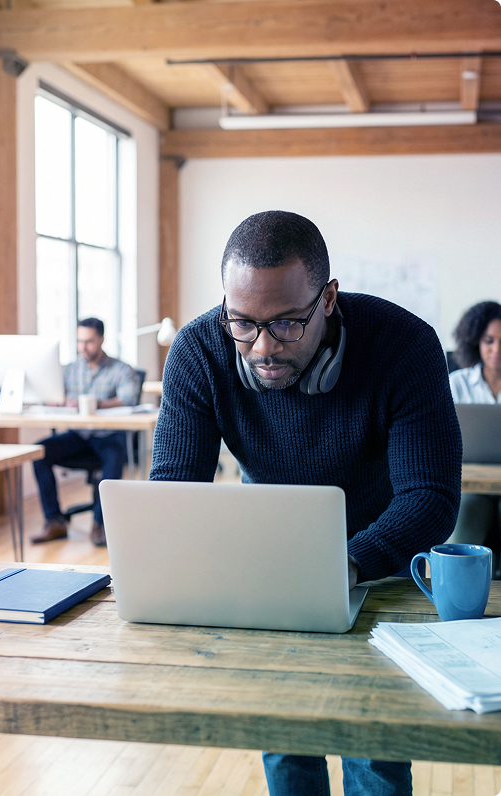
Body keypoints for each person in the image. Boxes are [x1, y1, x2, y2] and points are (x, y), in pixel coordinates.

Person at [149, 211, 462, 796]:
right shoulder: (199, 349)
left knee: (374, 751)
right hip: (274, 567)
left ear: (329, 299)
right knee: (286, 740)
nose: (263, 347)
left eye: (289, 324)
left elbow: (431, 497)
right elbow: (175, 492)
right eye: (242, 323)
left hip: (382, 560)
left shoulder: (406, 345)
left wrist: (341, 565)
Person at [32, 317, 140, 547]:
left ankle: (100, 523)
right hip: (79, 436)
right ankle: (55, 522)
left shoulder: (121, 369)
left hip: (107, 435)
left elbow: (130, 398)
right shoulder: (69, 370)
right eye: (80, 341)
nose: (83, 347)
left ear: (101, 339)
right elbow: (52, 394)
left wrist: (96, 404)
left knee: (114, 455)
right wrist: (56, 402)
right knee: (38, 453)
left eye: (89, 341)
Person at [447, 301, 501, 557]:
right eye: (489, 340)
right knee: (460, 537)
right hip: (470, 486)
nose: (496, 349)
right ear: (476, 342)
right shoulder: (456, 384)